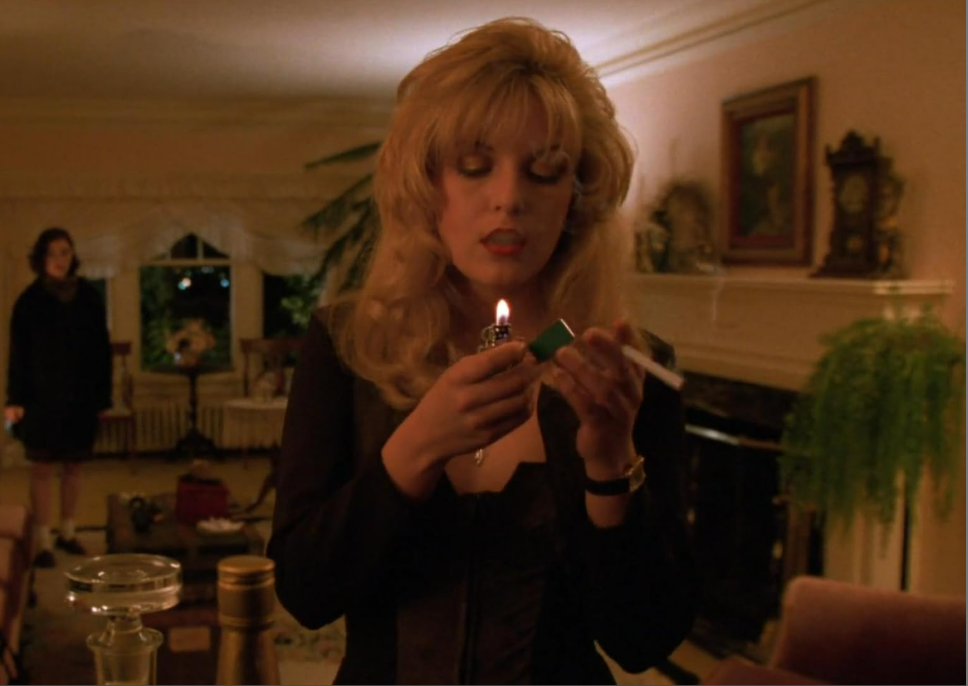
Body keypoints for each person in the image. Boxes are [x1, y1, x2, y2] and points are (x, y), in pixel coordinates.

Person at [267, 18, 696, 684]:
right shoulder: (349, 345)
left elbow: (644, 640)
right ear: (425, 184)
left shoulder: (622, 371)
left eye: (545, 172)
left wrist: (610, 465)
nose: (509, 199)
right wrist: (419, 446)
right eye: (474, 166)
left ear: (575, 198)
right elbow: (305, 591)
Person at [6, 227, 112, 567]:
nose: (59, 260)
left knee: (74, 467)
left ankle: (68, 530)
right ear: (41, 258)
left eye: (65, 252)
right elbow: (18, 355)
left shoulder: (89, 297)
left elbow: (102, 351)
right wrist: (14, 399)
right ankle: (43, 540)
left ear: (73, 255)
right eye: (52, 253)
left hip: (81, 396)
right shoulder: (29, 301)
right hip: (41, 397)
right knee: (41, 469)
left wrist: (102, 398)